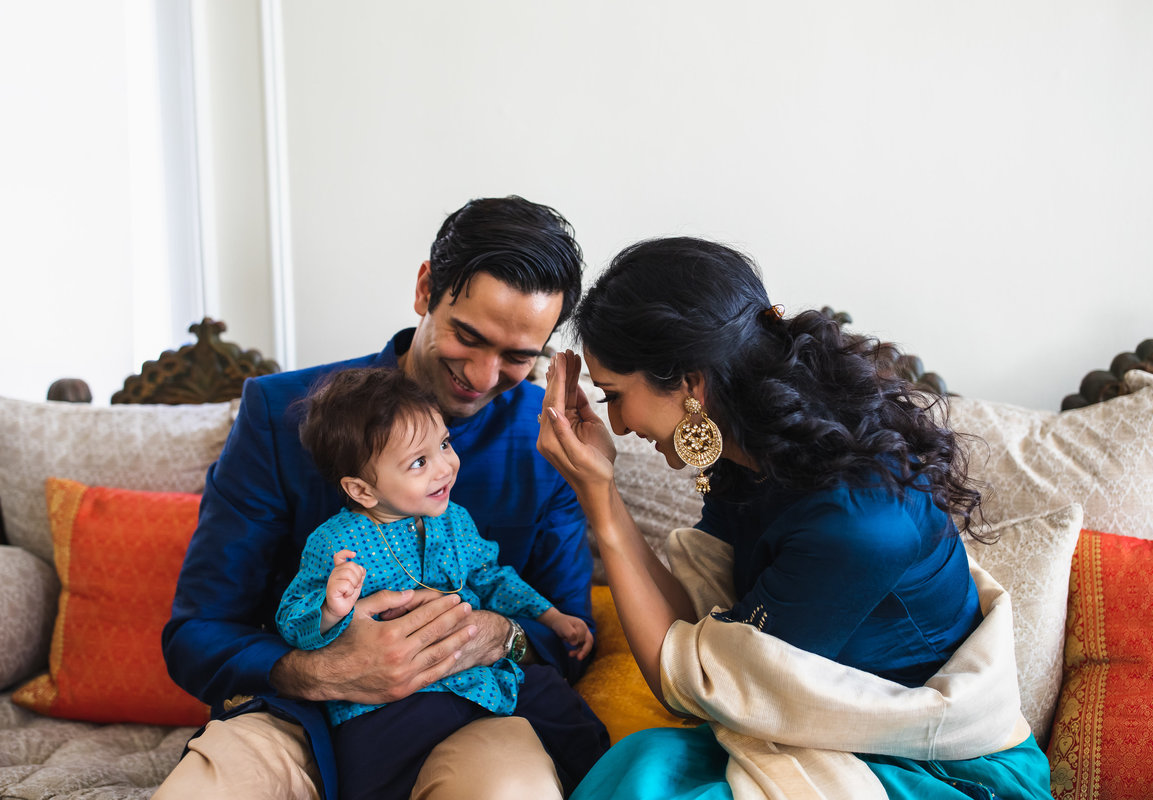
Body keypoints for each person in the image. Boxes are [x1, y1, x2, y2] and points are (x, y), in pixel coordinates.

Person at [536, 237, 1053, 799]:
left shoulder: (855, 520)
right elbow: (699, 630)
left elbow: (694, 683)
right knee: (643, 763)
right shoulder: (760, 453)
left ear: (689, 383)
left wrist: (600, 500)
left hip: (937, 767)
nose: (618, 423)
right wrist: (602, 493)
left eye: (613, 395)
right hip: (825, 736)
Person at [154, 196, 596, 800]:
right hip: (294, 717)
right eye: (468, 336)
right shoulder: (278, 413)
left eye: (519, 357)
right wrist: (322, 671)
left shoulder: (545, 443)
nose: (486, 376)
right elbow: (196, 634)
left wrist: (499, 635)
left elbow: (569, 638)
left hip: (469, 714)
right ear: (425, 290)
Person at [278, 367, 608, 799]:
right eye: (419, 462)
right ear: (361, 490)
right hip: (393, 700)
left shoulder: (454, 519)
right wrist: (329, 609)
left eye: (445, 445)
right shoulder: (336, 543)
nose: (445, 467)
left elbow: (491, 578)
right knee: (373, 765)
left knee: (564, 709)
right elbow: (290, 616)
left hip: (479, 672)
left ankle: (605, 785)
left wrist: (549, 614)